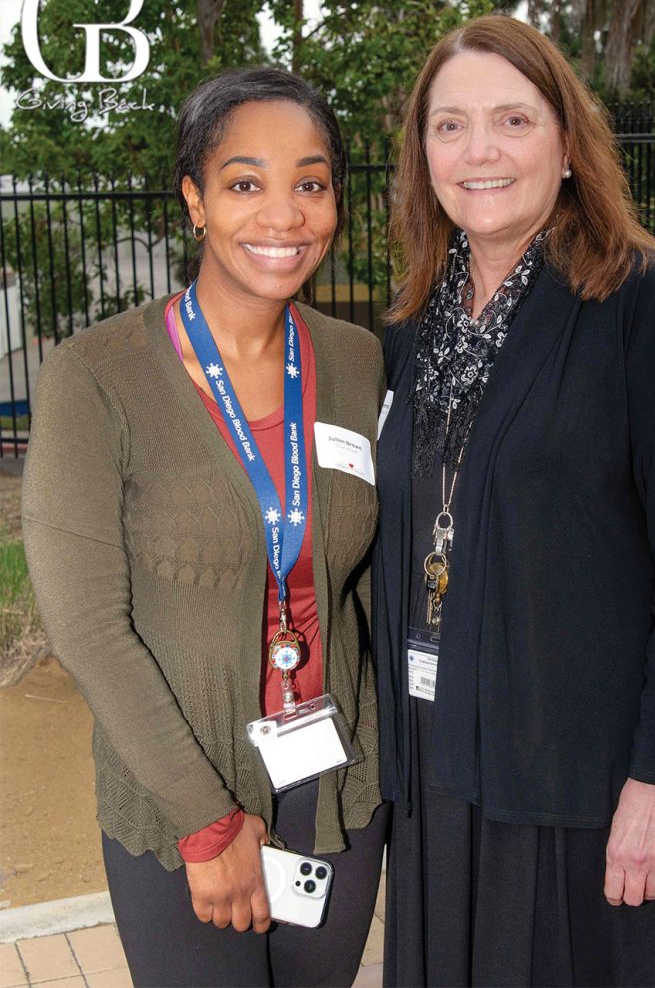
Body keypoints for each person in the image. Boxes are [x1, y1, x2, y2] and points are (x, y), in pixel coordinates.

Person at [373, 16, 655, 988]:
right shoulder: (410, 324)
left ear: (566, 145)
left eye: (511, 120)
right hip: (436, 760)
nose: (478, 150)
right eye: (449, 126)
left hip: (580, 777)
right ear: (423, 157)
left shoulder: (639, 299)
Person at [23, 68, 387, 988]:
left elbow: (367, 569)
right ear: (194, 198)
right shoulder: (96, 374)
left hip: (337, 783)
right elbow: (87, 625)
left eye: (310, 183)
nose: (284, 215)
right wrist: (207, 819)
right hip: (184, 791)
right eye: (244, 182)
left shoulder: (355, 358)